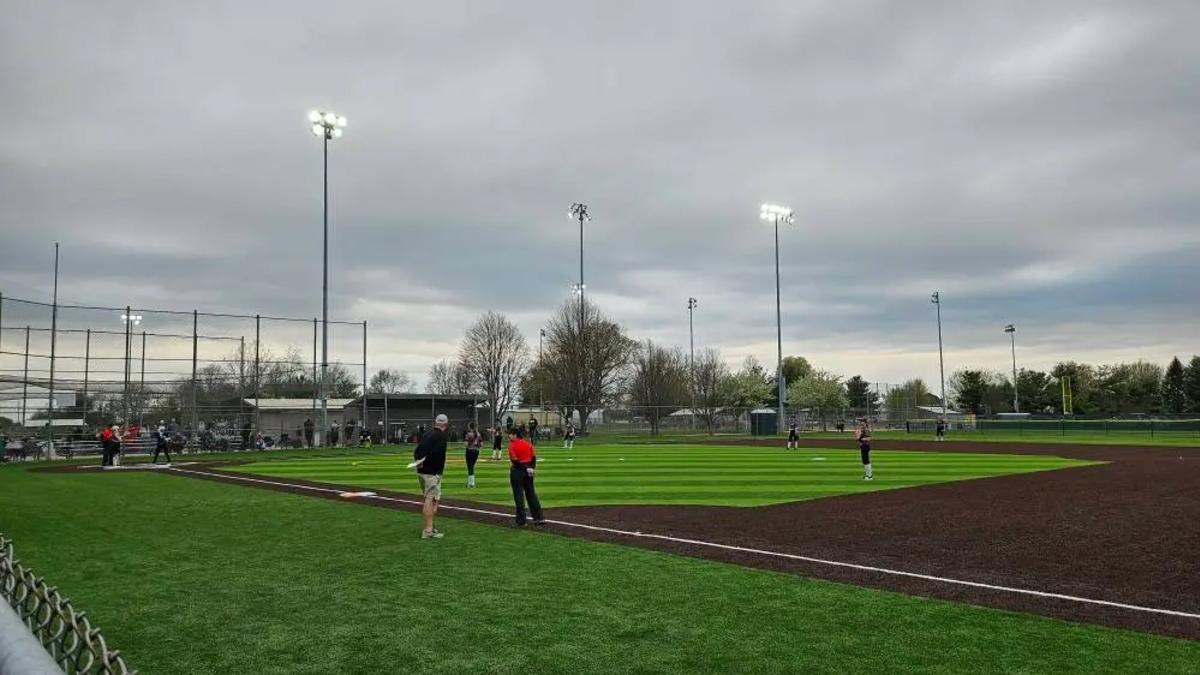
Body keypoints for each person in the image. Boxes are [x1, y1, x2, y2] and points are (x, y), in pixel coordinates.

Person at [413, 414, 449, 539]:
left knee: (432, 499)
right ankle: (428, 530)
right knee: (430, 499)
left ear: (435, 423)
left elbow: (417, 452)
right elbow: (437, 454)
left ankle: (431, 527)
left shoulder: (426, 434)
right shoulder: (441, 436)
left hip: (422, 471)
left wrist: (420, 463)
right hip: (432, 472)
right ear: (445, 425)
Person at [508, 427, 545, 527]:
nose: (509, 436)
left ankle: (521, 521)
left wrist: (525, 469)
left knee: (518, 495)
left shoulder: (512, 445)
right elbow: (533, 457)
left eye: (510, 434)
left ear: (514, 434)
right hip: (529, 470)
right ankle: (539, 518)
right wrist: (531, 468)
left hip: (518, 472)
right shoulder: (527, 443)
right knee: (531, 493)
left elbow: (515, 462)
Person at [464, 423, 482, 488]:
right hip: (476, 451)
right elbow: (481, 444)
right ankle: (469, 482)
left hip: (469, 451)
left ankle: (472, 483)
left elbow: (466, 444)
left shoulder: (468, 434)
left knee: (470, 467)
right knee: (471, 466)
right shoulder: (479, 434)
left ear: (469, 427)